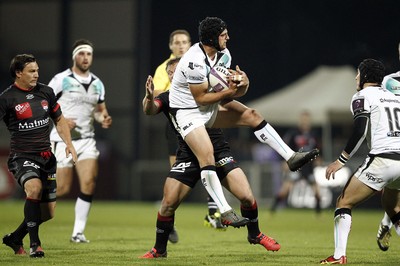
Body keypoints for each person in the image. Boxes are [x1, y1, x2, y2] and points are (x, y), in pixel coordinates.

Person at [168, 16, 319, 219]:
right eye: (223, 34)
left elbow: (232, 93)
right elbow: (201, 98)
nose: (228, 37)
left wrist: (243, 84)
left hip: (206, 107)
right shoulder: (193, 61)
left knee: (252, 115)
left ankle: (290, 157)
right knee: (207, 154)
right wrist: (229, 91)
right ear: (212, 38)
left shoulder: (224, 55)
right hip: (186, 112)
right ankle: (224, 211)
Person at [139, 62, 281, 258]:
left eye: (177, 71)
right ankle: (159, 250)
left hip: (218, 152)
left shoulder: (206, 89)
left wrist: (241, 83)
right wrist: (148, 97)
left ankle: (255, 234)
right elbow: (150, 110)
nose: (175, 75)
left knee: (247, 197)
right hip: (188, 156)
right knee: (168, 203)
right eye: (171, 73)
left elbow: (231, 97)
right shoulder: (169, 97)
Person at [320, 58, 400, 264]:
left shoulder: (362, 96)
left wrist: (341, 160)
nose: (356, 77)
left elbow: (359, 130)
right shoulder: (394, 98)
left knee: (343, 202)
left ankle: (339, 256)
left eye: (358, 73)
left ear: (364, 76)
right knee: (393, 208)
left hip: (384, 159)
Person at [1, 54, 77, 257]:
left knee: (48, 213)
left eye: (37, 70)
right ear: (18, 73)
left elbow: (59, 120)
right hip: (22, 156)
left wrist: (69, 144)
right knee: (34, 188)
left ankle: (15, 238)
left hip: (46, 158)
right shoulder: (7, 98)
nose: (36, 74)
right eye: (31, 71)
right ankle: (36, 245)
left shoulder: (46, 92)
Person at [153, 29, 225, 233]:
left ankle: (214, 211)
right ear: (170, 46)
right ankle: (169, 219)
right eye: (177, 42)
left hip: (201, 118)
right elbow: (158, 93)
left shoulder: (200, 60)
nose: (181, 45)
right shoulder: (164, 68)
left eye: (185, 42)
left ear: (190, 43)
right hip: (176, 122)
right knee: (177, 171)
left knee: (210, 158)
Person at [48, 39, 112, 243]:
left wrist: (104, 119)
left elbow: (100, 111)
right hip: (62, 141)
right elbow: (43, 105)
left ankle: (78, 232)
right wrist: (61, 120)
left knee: (89, 183)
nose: (85, 58)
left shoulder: (97, 83)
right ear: (75, 56)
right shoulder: (61, 79)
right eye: (82, 53)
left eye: (89, 54)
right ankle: (33, 205)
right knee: (63, 188)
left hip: (86, 140)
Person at [375, 42, 400, 251]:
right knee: (392, 198)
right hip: (395, 144)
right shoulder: (389, 81)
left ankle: (387, 220)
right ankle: (388, 218)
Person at [270, 111, 321, 214]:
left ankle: (318, 214)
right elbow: (285, 147)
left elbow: (318, 148)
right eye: (303, 119)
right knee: (285, 190)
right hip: (297, 165)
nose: (305, 121)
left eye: (307, 119)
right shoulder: (293, 133)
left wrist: (319, 158)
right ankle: (272, 210)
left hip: (309, 166)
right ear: (300, 120)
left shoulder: (314, 134)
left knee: (317, 192)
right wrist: (285, 161)